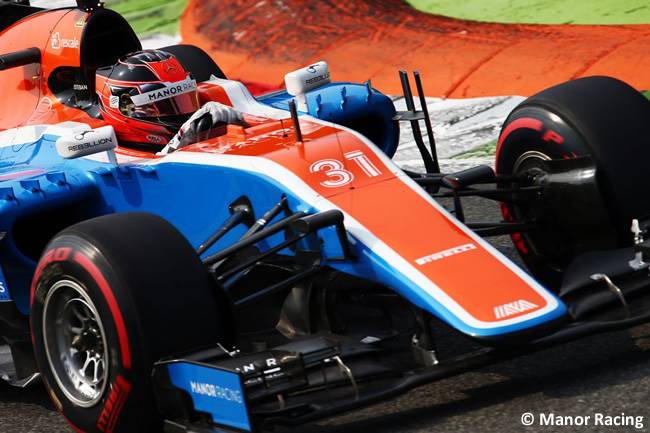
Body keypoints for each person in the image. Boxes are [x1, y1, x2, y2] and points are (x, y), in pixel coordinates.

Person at [95, 49, 241, 153]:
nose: (183, 114)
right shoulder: (103, 155)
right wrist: (176, 147)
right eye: (162, 106)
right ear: (124, 107)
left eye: (183, 100)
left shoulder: (199, 122)